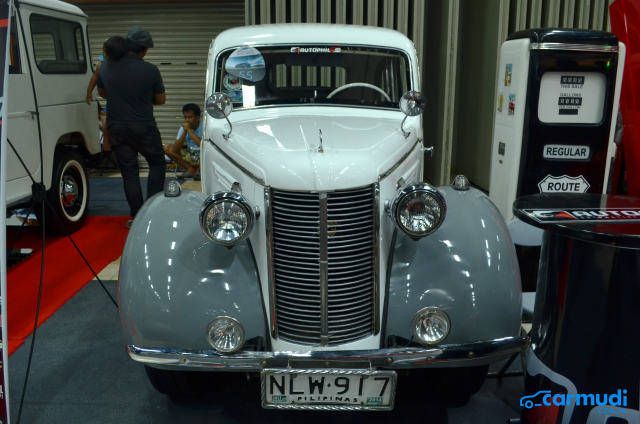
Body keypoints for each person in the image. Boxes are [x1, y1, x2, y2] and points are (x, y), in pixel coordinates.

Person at [97, 28, 166, 223]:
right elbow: (160, 100)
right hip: (144, 127)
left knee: (129, 171)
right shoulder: (150, 70)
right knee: (157, 163)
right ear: (144, 50)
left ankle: (136, 216)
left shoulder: (105, 68)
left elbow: (102, 93)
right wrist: (142, 99)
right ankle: (151, 213)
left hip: (117, 127)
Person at [87, 37, 127, 151]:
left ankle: (109, 143)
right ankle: (106, 144)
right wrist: (89, 91)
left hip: (122, 100)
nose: (104, 54)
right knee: (107, 123)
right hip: (114, 101)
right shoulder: (102, 63)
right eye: (103, 52)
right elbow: (95, 76)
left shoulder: (122, 63)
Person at [163, 103, 203, 179]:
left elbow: (201, 145)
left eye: (190, 117)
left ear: (197, 117)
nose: (187, 120)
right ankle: (190, 170)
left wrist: (189, 130)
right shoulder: (183, 128)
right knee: (167, 148)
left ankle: (199, 171)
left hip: (202, 156)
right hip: (190, 155)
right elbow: (175, 149)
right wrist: (184, 132)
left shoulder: (204, 127)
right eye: (185, 117)